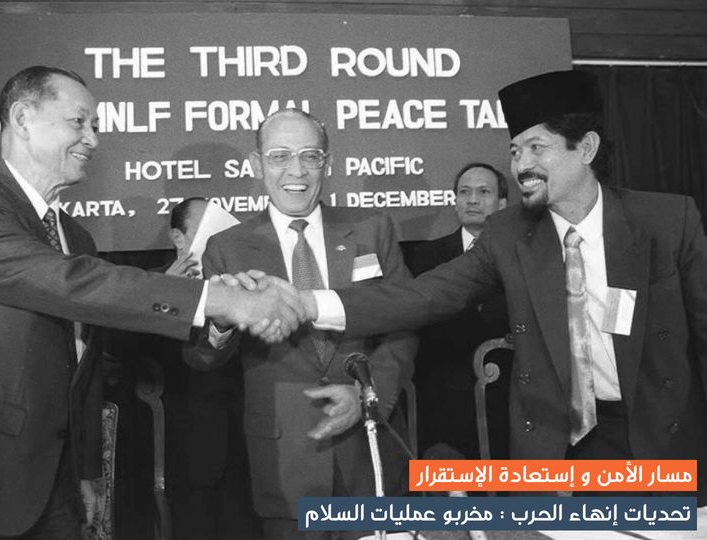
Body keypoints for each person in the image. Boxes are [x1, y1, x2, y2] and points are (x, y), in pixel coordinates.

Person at [0, 65, 304, 539]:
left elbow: (86, 363)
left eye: (95, 126)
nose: (92, 139)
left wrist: (86, 467)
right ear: (23, 118)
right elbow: (67, 283)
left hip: (55, 483)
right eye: (79, 122)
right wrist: (222, 298)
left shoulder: (76, 237)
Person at [290, 69, 707, 502]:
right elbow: (424, 295)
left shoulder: (667, 222)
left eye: (536, 148)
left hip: (659, 441)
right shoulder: (509, 234)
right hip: (559, 453)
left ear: (586, 148)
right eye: (515, 151)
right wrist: (308, 304)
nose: (521, 165)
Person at [184, 108, 417, 539]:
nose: (297, 170)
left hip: (371, 451)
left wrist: (369, 397)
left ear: (328, 163)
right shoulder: (227, 248)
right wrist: (224, 322)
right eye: (280, 156)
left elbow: (405, 324)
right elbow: (202, 356)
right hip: (284, 460)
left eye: (310, 156)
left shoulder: (373, 229)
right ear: (256, 165)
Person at [408, 163, 511, 458]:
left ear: (502, 204)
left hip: (506, 400)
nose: (472, 200)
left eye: (483, 192)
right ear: (455, 202)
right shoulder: (424, 256)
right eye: (464, 192)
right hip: (442, 403)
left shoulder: (522, 256)